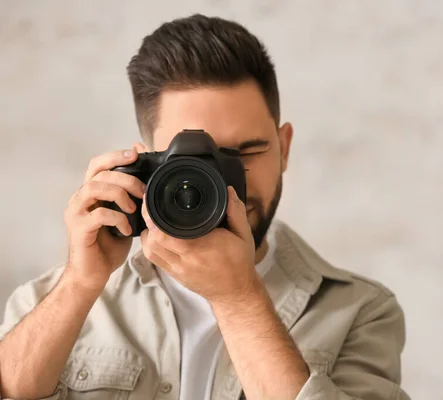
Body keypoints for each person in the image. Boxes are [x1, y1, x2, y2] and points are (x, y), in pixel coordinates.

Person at [0, 14, 408, 400]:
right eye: (193, 163)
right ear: (147, 165)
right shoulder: (48, 299)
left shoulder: (360, 311)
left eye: (246, 152)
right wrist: (79, 284)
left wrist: (239, 298)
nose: (223, 186)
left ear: (283, 148)